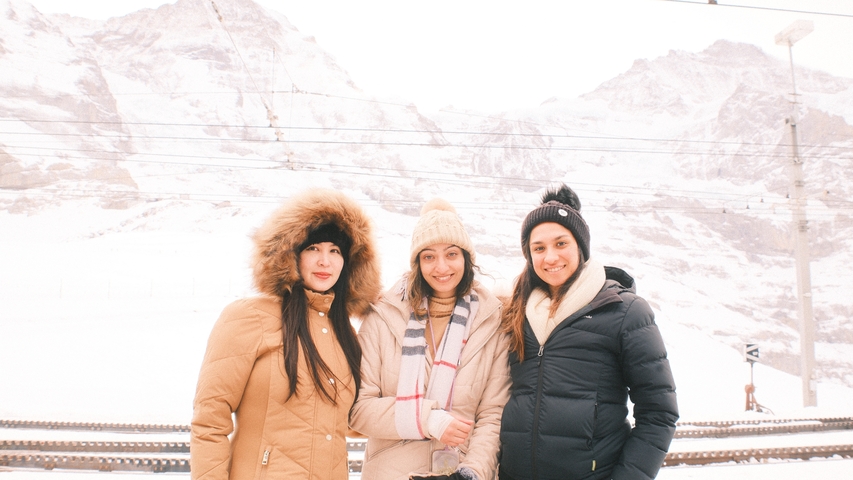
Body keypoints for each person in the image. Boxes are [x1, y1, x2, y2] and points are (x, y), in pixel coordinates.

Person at [190, 189, 381, 480]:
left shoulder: (346, 336)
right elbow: (209, 420)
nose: (325, 262)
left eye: (335, 251)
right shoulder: (248, 316)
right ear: (290, 253)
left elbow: (353, 421)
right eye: (313, 248)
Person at [498, 185, 678, 480]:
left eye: (560, 244)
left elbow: (660, 414)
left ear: (580, 247)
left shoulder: (625, 312)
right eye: (539, 248)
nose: (550, 257)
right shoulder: (515, 312)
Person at [350, 199, 510, 480]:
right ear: (417, 263)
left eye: (451, 254)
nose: (441, 267)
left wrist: (472, 472)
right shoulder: (383, 317)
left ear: (466, 258)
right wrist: (427, 420)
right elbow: (358, 409)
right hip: (391, 472)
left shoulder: (491, 321)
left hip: (458, 471)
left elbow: (492, 415)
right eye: (428, 256)